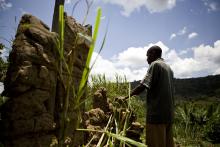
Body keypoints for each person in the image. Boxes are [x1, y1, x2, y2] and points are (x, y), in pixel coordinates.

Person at [124, 45, 174, 147]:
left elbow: (143, 86)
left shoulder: (155, 65)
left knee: (155, 143)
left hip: (157, 115)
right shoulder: (168, 68)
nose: (147, 59)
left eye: (148, 56)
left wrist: (126, 97)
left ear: (153, 54)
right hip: (169, 115)